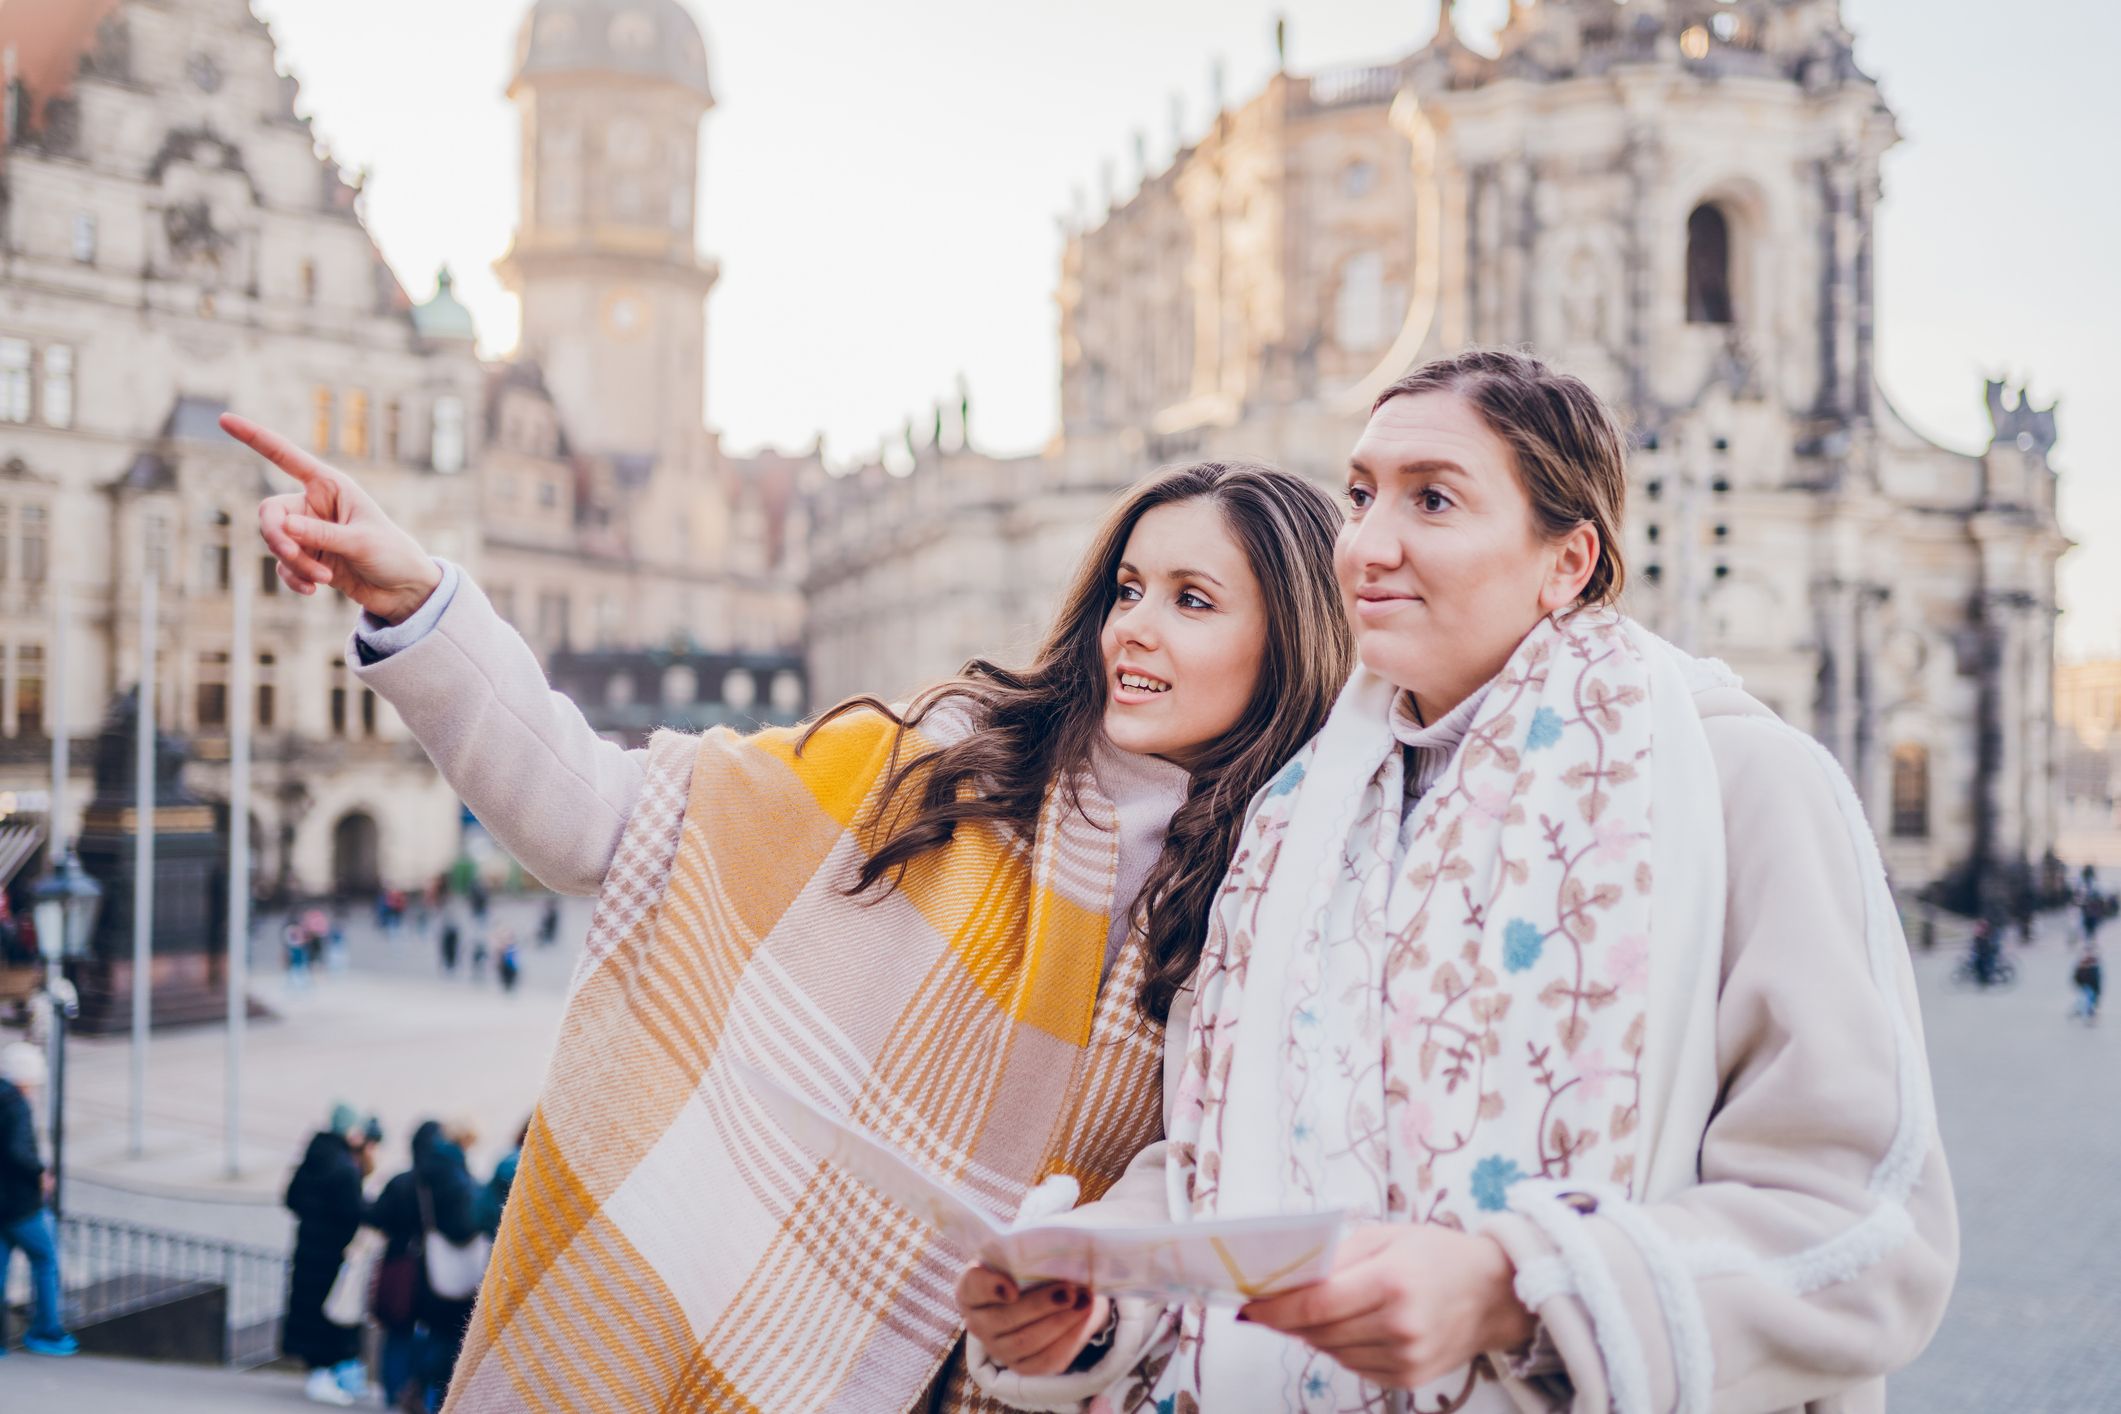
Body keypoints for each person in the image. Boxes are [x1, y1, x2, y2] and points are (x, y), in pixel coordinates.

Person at [232, 406, 1351, 1410]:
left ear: (1288, 641)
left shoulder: (1277, 890)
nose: (1134, 628)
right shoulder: (940, 760)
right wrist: (419, 600)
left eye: (1193, 600)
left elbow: (1197, 1185)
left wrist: (1089, 1321)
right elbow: (604, 818)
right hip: (725, 1328)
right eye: (1128, 587)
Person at [961, 349, 1956, 1412]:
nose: (1368, 544)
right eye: (1359, 495)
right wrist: (1099, 1294)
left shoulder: (1739, 782)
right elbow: (1223, 1158)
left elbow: (1868, 1235)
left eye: (1432, 498)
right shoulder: (1293, 816)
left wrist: (1515, 1286)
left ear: (1567, 560)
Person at [367, 1120, 484, 1413]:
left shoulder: (403, 1180)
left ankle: (394, 1395)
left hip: (402, 1265)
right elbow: (465, 1225)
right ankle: (428, 1397)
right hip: (439, 1270)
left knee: (397, 1330)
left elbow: (378, 1215)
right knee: (438, 1334)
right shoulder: (461, 1182)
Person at [283, 1103, 378, 1404]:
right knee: (329, 1313)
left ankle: (320, 1373)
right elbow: (354, 1211)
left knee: (312, 1310)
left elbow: (291, 1198)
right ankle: (323, 1376)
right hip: (330, 1254)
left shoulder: (313, 1157)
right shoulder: (343, 1168)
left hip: (308, 1248)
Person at [0, 1042, 75, 1358]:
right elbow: (19, 1151)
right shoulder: (15, 1104)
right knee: (45, 1260)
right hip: (20, 1204)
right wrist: (40, 1172)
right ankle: (46, 1330)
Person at [2072, 944, 2103, 1024]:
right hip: (2084, 985)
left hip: (2093, 986)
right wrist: (2078, 983)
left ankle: (2084, 1012)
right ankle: (2084, 1014)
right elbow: (2076, 976)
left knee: (2090, 1000)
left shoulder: (2094, 965)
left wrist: (2098, 988)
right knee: (2085, 999)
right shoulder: (2081, 964)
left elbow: (2097, 978)